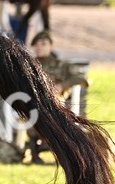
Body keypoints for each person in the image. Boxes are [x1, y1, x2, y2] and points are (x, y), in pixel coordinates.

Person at [27, 30, 89, 163]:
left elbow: (82, 78)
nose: (39, 47)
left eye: (43, 44)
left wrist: (63, 86)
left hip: (57, 105)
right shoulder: (28, 65)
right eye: (36, 44)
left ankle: (53, 147)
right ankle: (35, 152)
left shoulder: (62, 65)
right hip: (31, 106)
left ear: (51, 46)